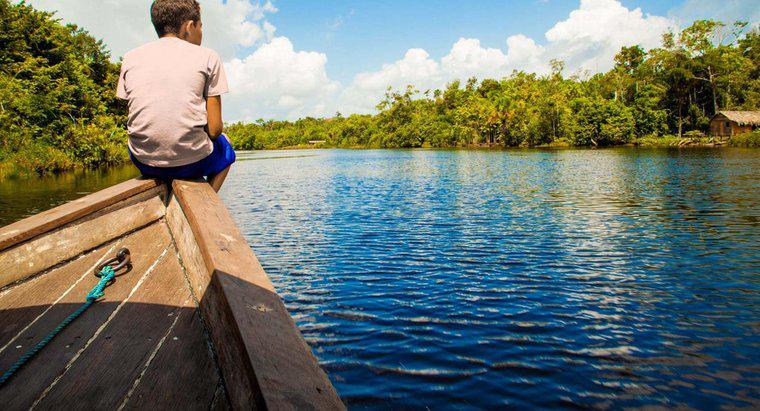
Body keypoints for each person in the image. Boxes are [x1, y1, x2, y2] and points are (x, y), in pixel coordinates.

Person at [116, 0, 234, 192]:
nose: (201, 32)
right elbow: (215, 130)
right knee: (226, 148)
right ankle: (208, 200)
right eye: (201, 26)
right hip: (192, 162)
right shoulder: (208, 56)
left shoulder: (130, 57)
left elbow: (136, 115)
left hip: (144, 161)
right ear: (189, 26)